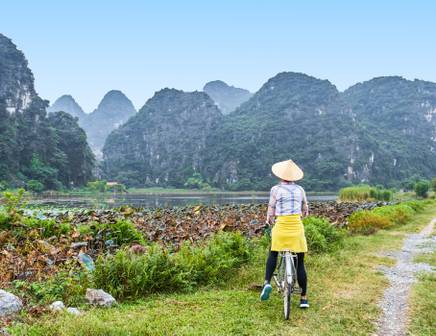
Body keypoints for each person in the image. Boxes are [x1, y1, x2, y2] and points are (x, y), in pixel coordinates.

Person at [260, 159, 309, 308]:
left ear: (280, 175)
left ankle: (267, 283)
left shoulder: (276, 189)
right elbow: (305, 210)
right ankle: (304, 298)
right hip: (296, 228)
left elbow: (271, 211)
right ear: (294, 177)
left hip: (281, 227)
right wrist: (299, 215)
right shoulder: (300, 190)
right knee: (300, 262)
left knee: (273, 252)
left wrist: (270, 221)